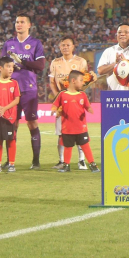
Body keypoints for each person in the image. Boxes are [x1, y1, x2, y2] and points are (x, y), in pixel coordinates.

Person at [0, 13, 45, 169]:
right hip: (10, 90)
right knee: (12, 125)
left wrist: (22, 62)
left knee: (32, 123)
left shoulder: (35, 43)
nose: (19, 24)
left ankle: (36, 161)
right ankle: (10, 161)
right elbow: (2, 65)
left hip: (28, 89)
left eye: (22, 22)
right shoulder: (8, 44)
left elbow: (40, 66)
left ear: (29, 25)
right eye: (17, 22)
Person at [49, 37, 89, 170]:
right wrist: (59, 98)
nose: (65, 47)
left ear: (73, 47)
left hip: (77, 103)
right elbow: (52, 83)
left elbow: (85, 82)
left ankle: (81, 161)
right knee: (61, 132)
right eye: (62, 45)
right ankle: (61, 161)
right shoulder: (55, 62)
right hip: (62, 104)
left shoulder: (80, 62)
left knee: (79, 132)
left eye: (67, 45)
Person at [51, 70, 99, 173]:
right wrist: (53, 110)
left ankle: (92, 164)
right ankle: (66, 165)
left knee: (85, 145)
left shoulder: (82, 94)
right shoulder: (62, 94)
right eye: (81, 80)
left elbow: (87, 106)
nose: (82, 83)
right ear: (73, 81)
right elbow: (55, 104)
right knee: (68, 147)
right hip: (67, 128)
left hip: (81, 127)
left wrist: (90, 109)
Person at [0, 57, 21, 173]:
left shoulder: (14, 83)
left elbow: (17, 100)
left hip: (10, 117)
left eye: (12, 67)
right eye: (8, 66)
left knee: (11, 140)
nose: (11, 69)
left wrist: (5, 109)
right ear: (0, 68)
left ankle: (12, 164)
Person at [97, 24, 129, 91]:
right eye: (119, 32)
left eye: (126, 32)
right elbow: (100, 71)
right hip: (113, 95)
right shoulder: (109, 51)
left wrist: (127, 64)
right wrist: (115, 64)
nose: (122, 34)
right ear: (116, 35)